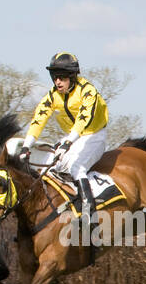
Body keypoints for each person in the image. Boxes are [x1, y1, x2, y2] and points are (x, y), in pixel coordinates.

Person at [18, 52, 108, 221]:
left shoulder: (88, 91)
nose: (57, 81)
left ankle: (90, 215)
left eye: (62, 77)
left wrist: (67, 143)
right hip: (73, 137)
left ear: (72, 76)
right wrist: (26, 146)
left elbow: (83, 119)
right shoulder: (52, 96)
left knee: (76, 167)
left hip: (94, 135)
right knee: (51, 167)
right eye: (54, 77)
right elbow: (39, 119)